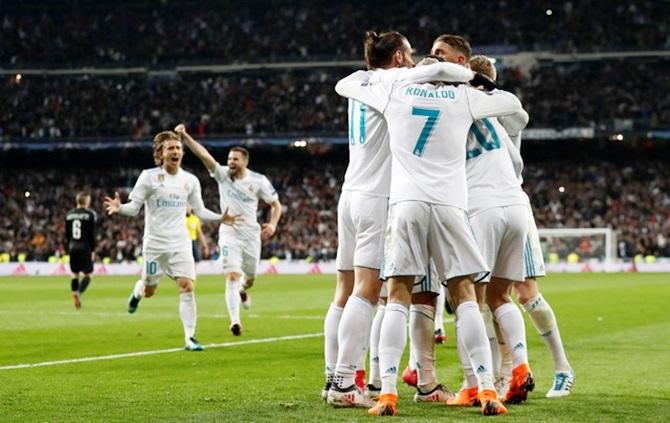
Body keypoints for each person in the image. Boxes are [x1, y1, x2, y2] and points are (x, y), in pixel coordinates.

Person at [336, 52, 524, 416]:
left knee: (398, 296)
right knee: (466, 296)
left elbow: (343, 85)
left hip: (406, 205)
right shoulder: (463, 96)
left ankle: (387, 393)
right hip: (451, 207)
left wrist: (398, 78)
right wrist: (467, 76)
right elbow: (512, 104)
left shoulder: (395, 94)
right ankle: (486, 390)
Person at [103, 130, 237, 351]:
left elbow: (200, 210)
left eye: (178, 148)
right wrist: (119, 208)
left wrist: (220, 218)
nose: (176, 151)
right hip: (155, 245)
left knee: (187, 287)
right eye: (170, 148)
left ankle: (190, 337)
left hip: (180, 243)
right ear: (160, 153)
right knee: (149, 291)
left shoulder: (190, 180)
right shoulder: (148, 177)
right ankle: (137, 292)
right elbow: (134, 208)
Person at [174, 124, 282, 337]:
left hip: (251, 235)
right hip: (229, 232)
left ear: (245, 162)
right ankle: (235, 321)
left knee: (249, 279)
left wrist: (272, 224)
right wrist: (185, 136)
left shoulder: (258, 181)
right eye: (229, 159)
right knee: (232, 275)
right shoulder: (222, 175)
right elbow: (205, 156)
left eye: (235, 159)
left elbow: (276, 205)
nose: (230, 162)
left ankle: (243, 290)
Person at [64, 192, 97, 309]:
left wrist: (67, 248)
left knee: (74, 274)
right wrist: (93, 250)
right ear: (87, 201)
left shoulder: (68, 215)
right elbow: (91, 235)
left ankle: (74, 294)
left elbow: (67, 235)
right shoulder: (90, 215)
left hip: (72, 247)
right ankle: (79, 292)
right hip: (85, 247)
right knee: (89, 275)